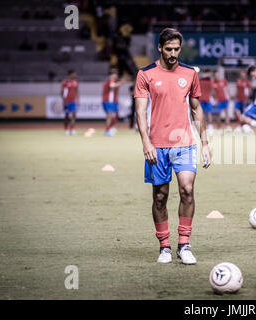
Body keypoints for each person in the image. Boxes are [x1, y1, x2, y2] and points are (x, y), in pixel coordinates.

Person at [134, 28, 211, 265]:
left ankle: (184, 245)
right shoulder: (145, 74)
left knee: (187, 189)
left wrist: (205, 142)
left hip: (185, 143)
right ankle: (164, 246)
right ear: (159, 48)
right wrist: (145, 141)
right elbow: (140, 111)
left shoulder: (189, 73)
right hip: (157, 145)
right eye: (168, 49)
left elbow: (196, 108)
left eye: (177, 49)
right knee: (160, 196)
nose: (173, 54)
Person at [102, 69, 124, 136]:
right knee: (110, 116)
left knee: (116, 115)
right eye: (115, 74)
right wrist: (120, 83)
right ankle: (107, 130)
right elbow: (112, 85)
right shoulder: (110, 80)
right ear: (112, 75)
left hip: (113, 101)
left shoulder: (114, 81)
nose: (116, 75)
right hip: (109, 101)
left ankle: (111, 128)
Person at [61, 69, 79, 135]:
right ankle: (66, 129)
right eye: (73, 74)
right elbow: (62, 92)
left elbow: (77, 91)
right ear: (70, 74)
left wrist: (78, 100)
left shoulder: (76, 82)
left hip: (73, 101)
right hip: (67, 101)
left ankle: (72, 129)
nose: (75, 75)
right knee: (67, 116)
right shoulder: (65, 82)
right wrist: (64, 101)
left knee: (74, 115)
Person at [199, 69, 215, 134]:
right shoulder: (210, 81)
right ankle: (209, 127)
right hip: (207, 99)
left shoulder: (200, 81)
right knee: (208, 113)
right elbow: (213, 90)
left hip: (202, 99)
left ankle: (204, 127)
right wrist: (214, 98)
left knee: (203, 114)